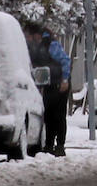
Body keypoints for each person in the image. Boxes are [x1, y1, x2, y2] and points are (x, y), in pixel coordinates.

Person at [24, 23, 71, 155]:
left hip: (60, 84)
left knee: (59, 115)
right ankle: (49, 145)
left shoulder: (51, 45)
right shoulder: (35, 47)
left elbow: (65, 61)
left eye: (28, 36)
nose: (27, 38)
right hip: (48, 84)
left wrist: (65, 79)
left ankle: (60, 145)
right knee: (48, 115)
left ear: (36, 35)